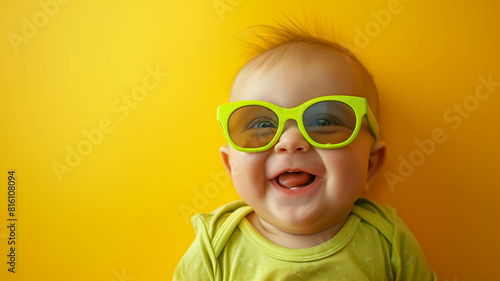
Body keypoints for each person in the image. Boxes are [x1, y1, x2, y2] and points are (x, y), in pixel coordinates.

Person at [173, 22, 436, 280]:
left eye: (323, 122)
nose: (290, 141)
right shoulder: (216, 247)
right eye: (262, 125)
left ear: (370, 165)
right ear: (231, 167)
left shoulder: (386, 240)